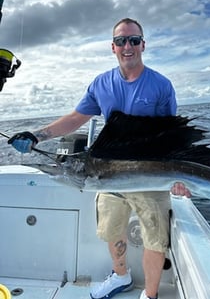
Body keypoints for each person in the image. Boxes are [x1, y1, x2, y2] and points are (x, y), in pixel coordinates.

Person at [8, 17, 191, 299]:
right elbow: (75, 119)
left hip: (150, 175)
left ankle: (150, 295)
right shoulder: (101, 84)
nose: (127, 46)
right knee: (111, 230)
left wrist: (177, 178)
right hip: (106, 174)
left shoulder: (161, 86)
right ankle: (121, 276)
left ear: (143, 44)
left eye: (133, 40)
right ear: (113, 47)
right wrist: (37, 136)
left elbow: (171, 137)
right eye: (121, 41)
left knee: (155, 239)